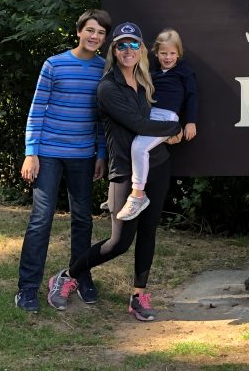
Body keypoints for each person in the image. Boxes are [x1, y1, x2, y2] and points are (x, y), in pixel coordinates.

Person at [45, 22, 182, 320]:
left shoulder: (145, 82)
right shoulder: (108, 87)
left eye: (134, 45)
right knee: (120, 242)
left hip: (157, 166)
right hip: (124, 172)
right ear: (114, 50)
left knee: (148, 233)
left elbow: (153, 120)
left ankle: (138, 295)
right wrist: (175, 127)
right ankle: (68, 275)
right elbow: (140, 126)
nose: (128, 50)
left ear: (141, 49)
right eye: (122, 45)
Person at [15, 9, 112, 313]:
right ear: (79, 31)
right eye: (90, 30)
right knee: (41, 220)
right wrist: (31, 152)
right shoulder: (54, 65)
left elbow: (100, 118)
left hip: (83, 156)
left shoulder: (103, 69)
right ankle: (27, 289)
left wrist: (100, 154)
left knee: (82, 219)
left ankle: (80, 277)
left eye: (101, 33)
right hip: (48, 154)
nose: (95, 37)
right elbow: (37, 109)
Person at [117, 28, 199, 221]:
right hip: (149, 116)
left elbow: (192, 97)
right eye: (163, 53)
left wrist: (191, 122)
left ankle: (138, 196)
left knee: (139, 148)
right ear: (156, 53)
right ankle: (120, 195)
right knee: (131, 144)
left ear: (179, 53)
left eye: (172, 53)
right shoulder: (152, 71)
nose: (168, 57)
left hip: (167, 118)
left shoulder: (184, 72)